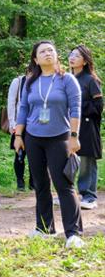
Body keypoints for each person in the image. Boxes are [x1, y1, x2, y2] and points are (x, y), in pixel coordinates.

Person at [15, 40, 84, 248]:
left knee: (64, 184)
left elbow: (75, 108)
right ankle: (45, 228)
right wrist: (18, 135)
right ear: (36, 59)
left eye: (51, 50)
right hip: (33, 138)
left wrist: (74, 136)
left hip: (60, 137)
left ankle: (73, 233)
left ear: (56, 56)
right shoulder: (30, 82)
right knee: (40, 185)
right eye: (43, 51)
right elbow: (23, 109)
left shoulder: (67, 79)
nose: (47, 53)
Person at [68, 45, 102, 210]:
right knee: (66, 160)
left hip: (87, 127)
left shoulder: (91, 80)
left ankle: (89, 196)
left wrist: (78, 106)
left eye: (77, 55)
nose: (72, 58)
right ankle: (68, 194)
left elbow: (98, 106)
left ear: (85, 60)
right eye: (71, 54)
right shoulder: (66, 78)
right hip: (67, 126)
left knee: (86, 162)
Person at [7, 73, 33, 191]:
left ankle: (33, 183)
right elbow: (11, 103)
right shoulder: (18, 81)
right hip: (19, 123)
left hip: (35, 124)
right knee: (19, 154)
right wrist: (12, 123)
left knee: (35, 155)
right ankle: (20, 182)